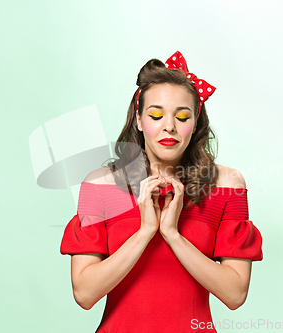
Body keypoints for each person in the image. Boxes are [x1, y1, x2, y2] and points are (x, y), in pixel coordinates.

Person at [60, 51, 263, 333]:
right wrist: (145, 231)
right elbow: (84, 294)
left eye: (182, 116)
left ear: (196, 124)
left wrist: (172, 235)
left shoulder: (227, 184)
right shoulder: (100, 184)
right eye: (156, 115)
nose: (169, 126)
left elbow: (235, 294)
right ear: (139, 121)